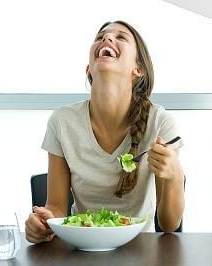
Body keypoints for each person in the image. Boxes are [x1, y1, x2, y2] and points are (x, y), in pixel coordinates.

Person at [25, 20, 185, 244]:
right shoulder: (62, 122)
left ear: (137, 69)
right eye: (100, 37)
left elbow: (169, 224)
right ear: (89, 69)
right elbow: (57, 208)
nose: (107, 39)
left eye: (121, 37)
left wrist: (175, 174)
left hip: (140, 252)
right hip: (80, 250)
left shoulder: (160, 123)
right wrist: (44, 222)